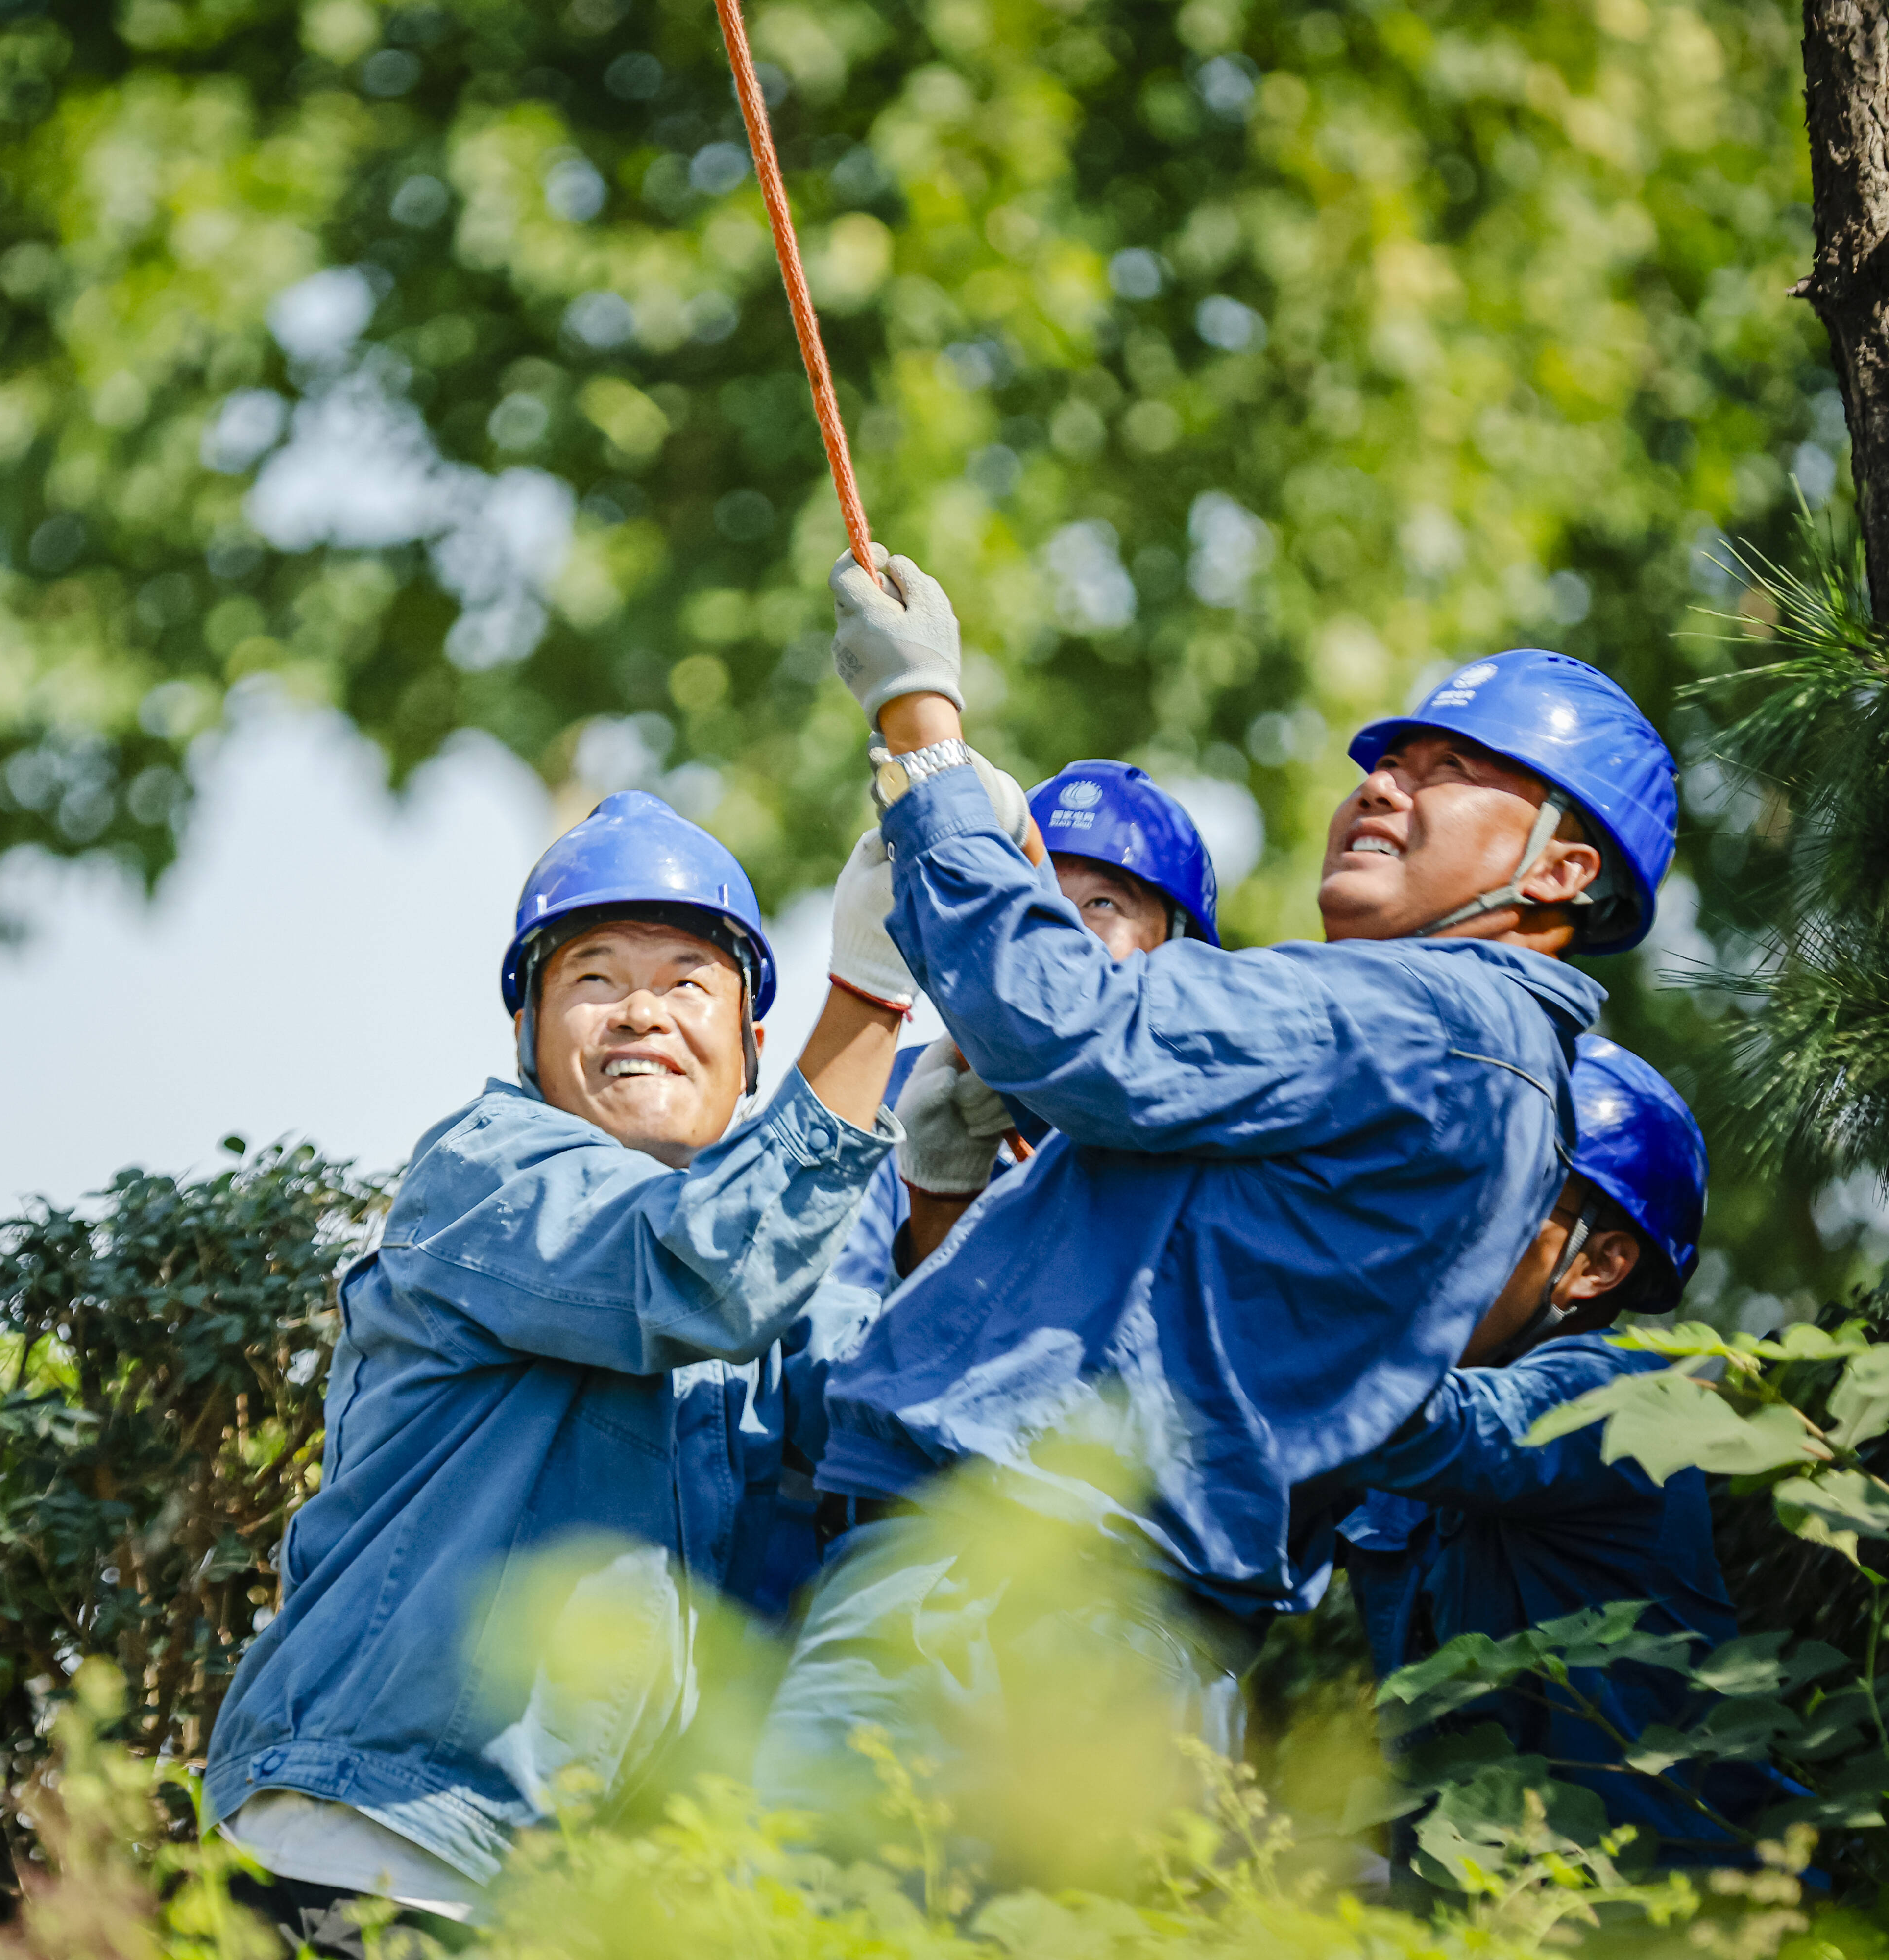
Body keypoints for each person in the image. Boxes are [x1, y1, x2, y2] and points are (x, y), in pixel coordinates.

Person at [755, 547, 1680, 1839]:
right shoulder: (1462, 1056)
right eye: (1381, 763)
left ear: (1564, 872)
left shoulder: (1427, 1018)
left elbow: (1060, 1020)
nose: (1381, 785)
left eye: (1448, 770)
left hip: (1009, 1604)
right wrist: (948, 1194)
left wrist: (925, 738)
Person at [203, 784, 1014, 1952]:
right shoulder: (489, 1175)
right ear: (529, 1034)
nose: (640, 1009)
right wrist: (872, 998)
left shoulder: (754, 1263)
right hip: (377, 1850)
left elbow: (867, 1445)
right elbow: (699, 1269)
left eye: (689, 980)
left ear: (749, 1055)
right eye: (594, 976)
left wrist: (935, 1198)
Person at [1336, 1035, 1791, 1872]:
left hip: (1656, 1913)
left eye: (1492, 1193)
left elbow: (1441, 1430)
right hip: (1482, 1902)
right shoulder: (1402, 1436)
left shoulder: (1611, 1398)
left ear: (1598, 1266)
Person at [826, 761, 1223, 1294]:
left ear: (1179, 952)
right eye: (1038, 900)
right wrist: (936, 1202)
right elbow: (833, 1352)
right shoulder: (896, 1097)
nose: (1065, 928)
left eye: (1102, 904)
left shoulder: (1211, 1118)